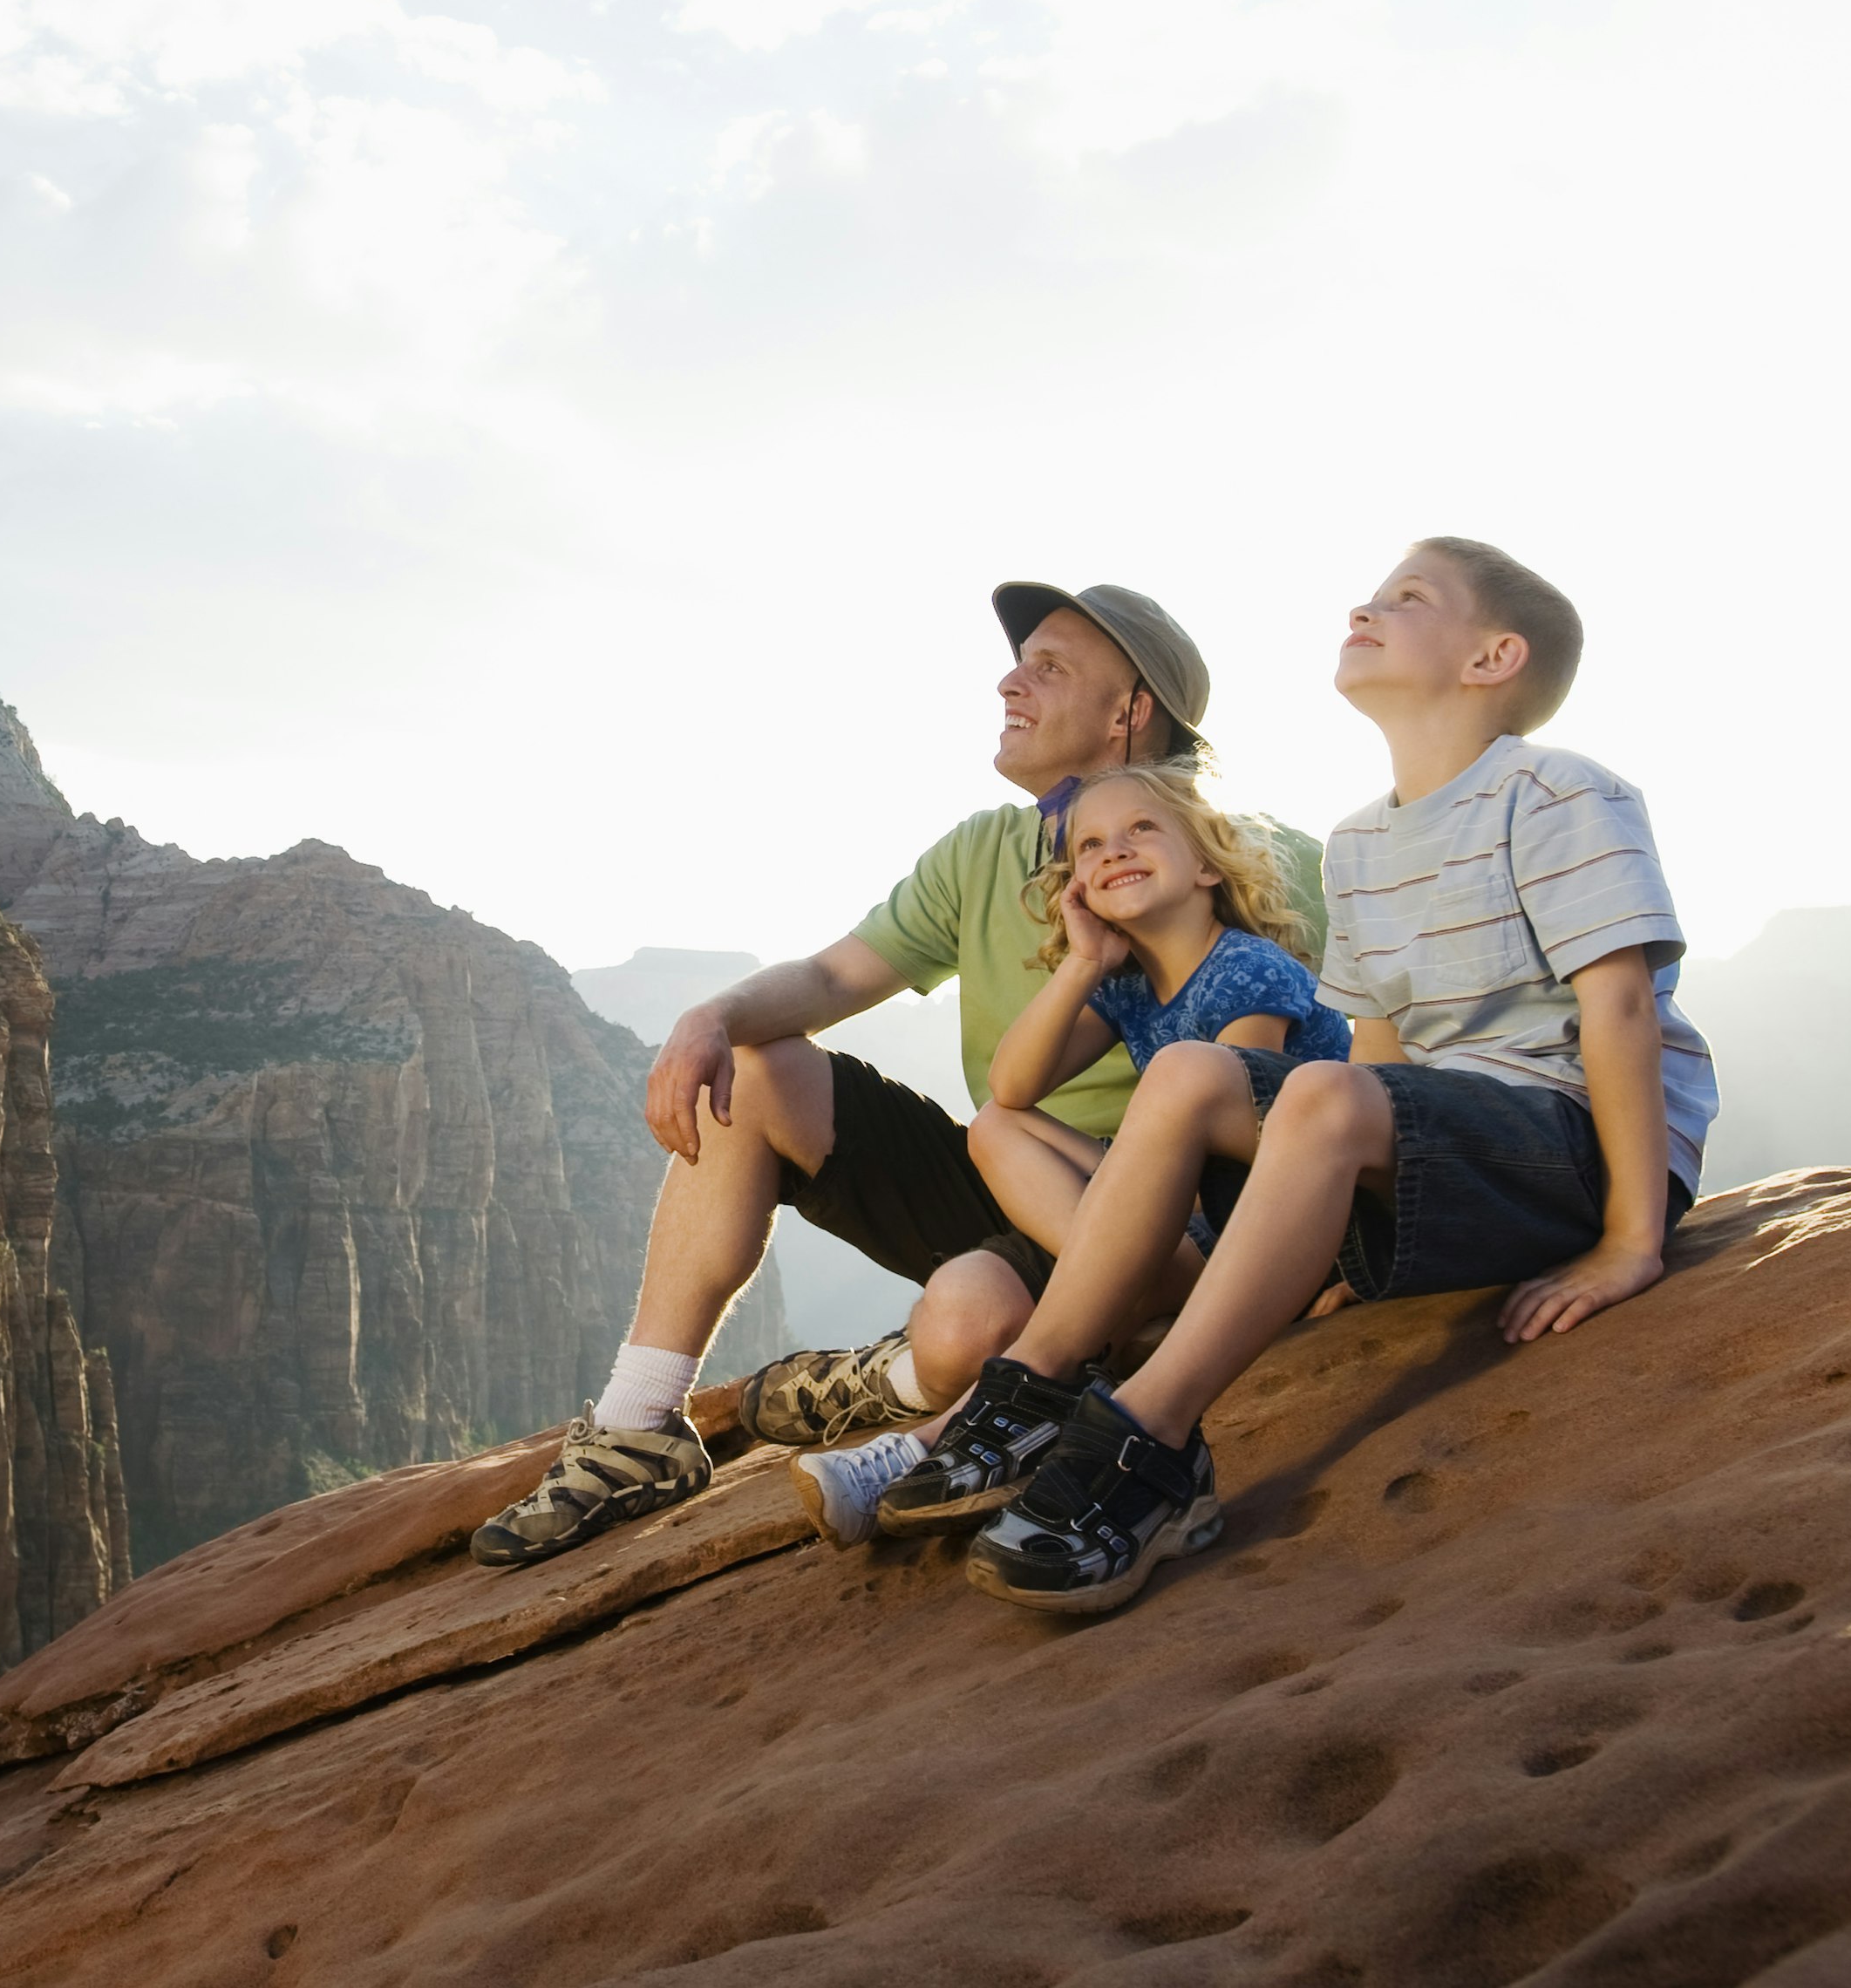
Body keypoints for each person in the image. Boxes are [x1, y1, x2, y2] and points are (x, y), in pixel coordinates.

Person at [915, 539, 1715, 1615]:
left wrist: (1633, 1237)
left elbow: (1618, 1010)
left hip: (1571, 1143)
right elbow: (1380, 1058)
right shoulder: (1358, 845)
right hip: (1451, 1160)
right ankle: (1037, 1379)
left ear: (1493, 657)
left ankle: (1150, 1444)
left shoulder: (1558, 792)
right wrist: (1335, 1216)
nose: (1367, 605)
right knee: (1197, 1072)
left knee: (1314, 1091)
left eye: (1409, 597)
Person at [472, 581, 1327, 1569]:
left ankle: (911, 1377)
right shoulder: (982, 851)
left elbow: (1363, 1044)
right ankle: (638, 1426)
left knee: (970, 1319)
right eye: (1021, 661)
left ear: (1130, 711)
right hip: (1015, 1176)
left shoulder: (1258, 859)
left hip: (1165, 1205)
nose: (1011, 681)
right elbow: (837, 977)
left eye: (1051, 667)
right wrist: (710, 1016)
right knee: (754, 1070)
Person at [789, 760, 1353, 1545]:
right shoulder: (1128, 988)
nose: (1113, 850)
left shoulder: (1248, 970)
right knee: (995, 1127)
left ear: (1205, 865)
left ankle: (930, 1442)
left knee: (1093, 1262)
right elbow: (1011, 1087)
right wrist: (1085, 962)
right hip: (1179, 1226)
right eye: (1089, 845)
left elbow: (1253, 1149)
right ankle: (1096, 1322)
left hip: (1259, 1225)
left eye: (1143, 830)